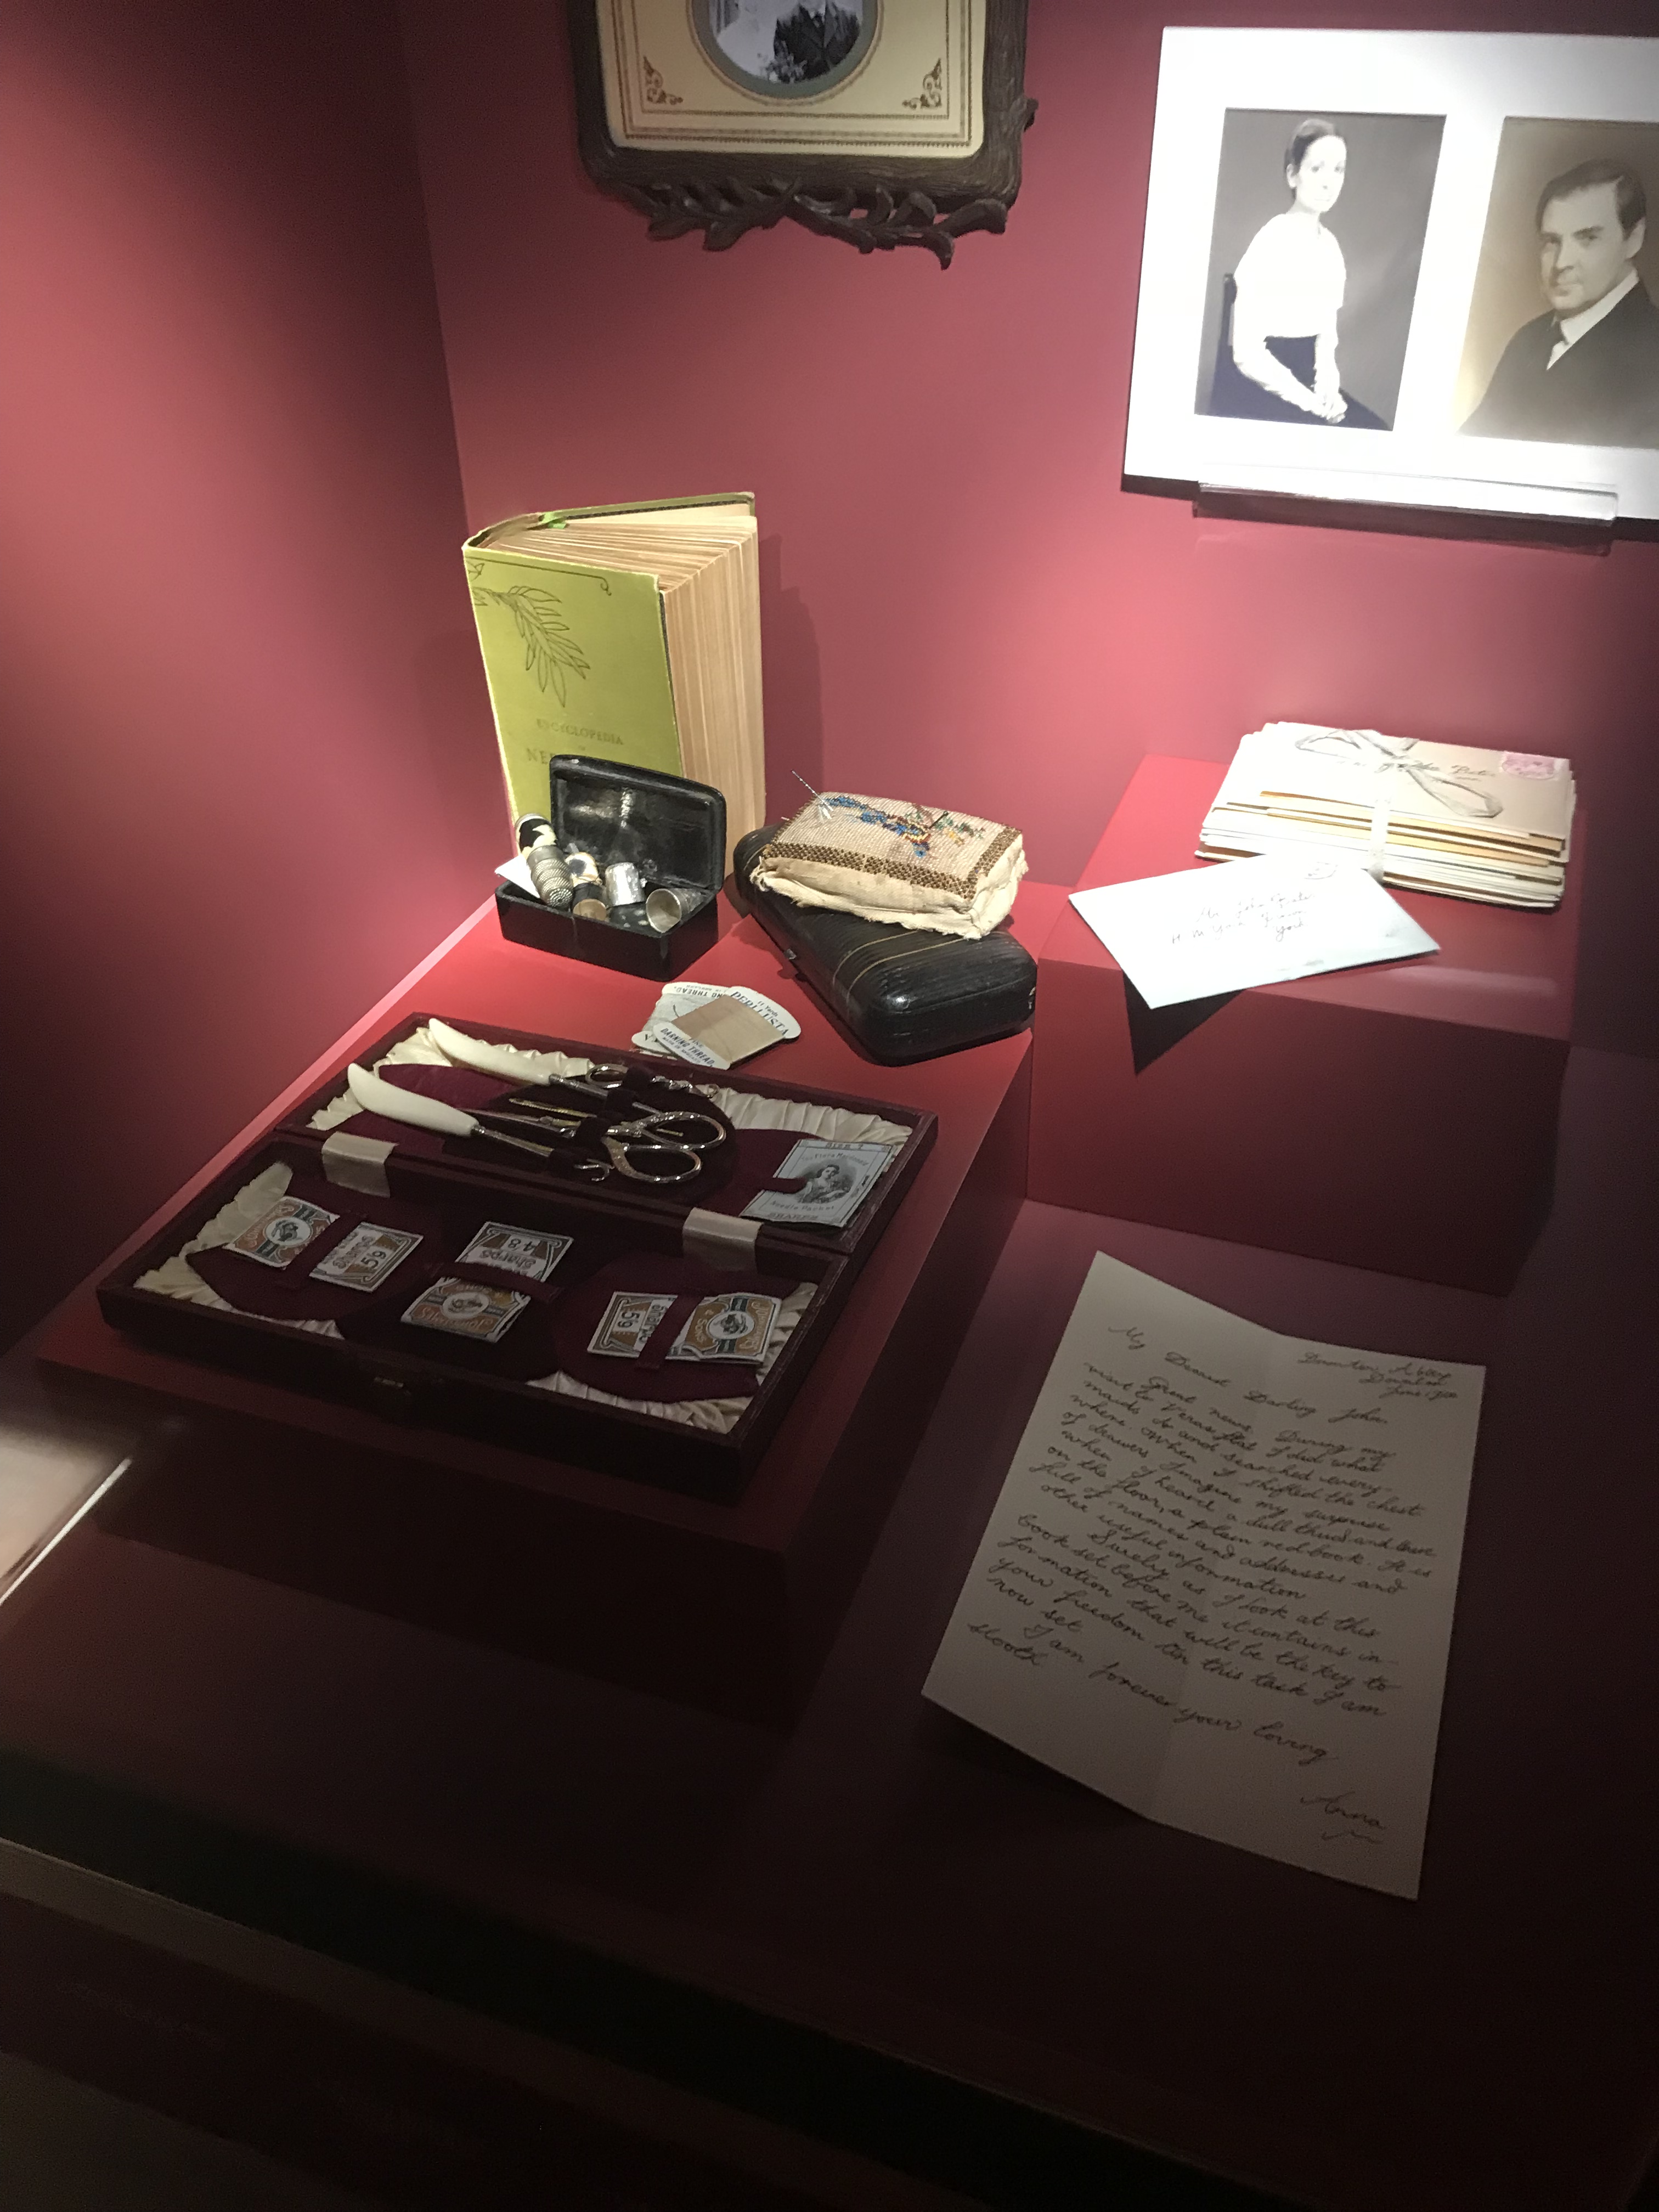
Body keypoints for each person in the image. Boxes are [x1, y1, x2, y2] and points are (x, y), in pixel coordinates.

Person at [1462, 158, 1659, 448]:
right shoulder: (1528, 340)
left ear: (1634, 239)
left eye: (1588, 238)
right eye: (1551, 242)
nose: (1561, 263)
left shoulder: (1651, 354)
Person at [1208, 119, 1388, 431]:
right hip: (1261, 382)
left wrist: (1329, 390)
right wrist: (1310, 404)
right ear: (1293, 175)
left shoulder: (1331, 247)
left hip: (1308, 377)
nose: (1329, 182)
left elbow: (1326, 336)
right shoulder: (1271, 240)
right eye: (1317, 169)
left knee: (1375, 429)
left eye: (1338, 170)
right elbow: (1248, 354)